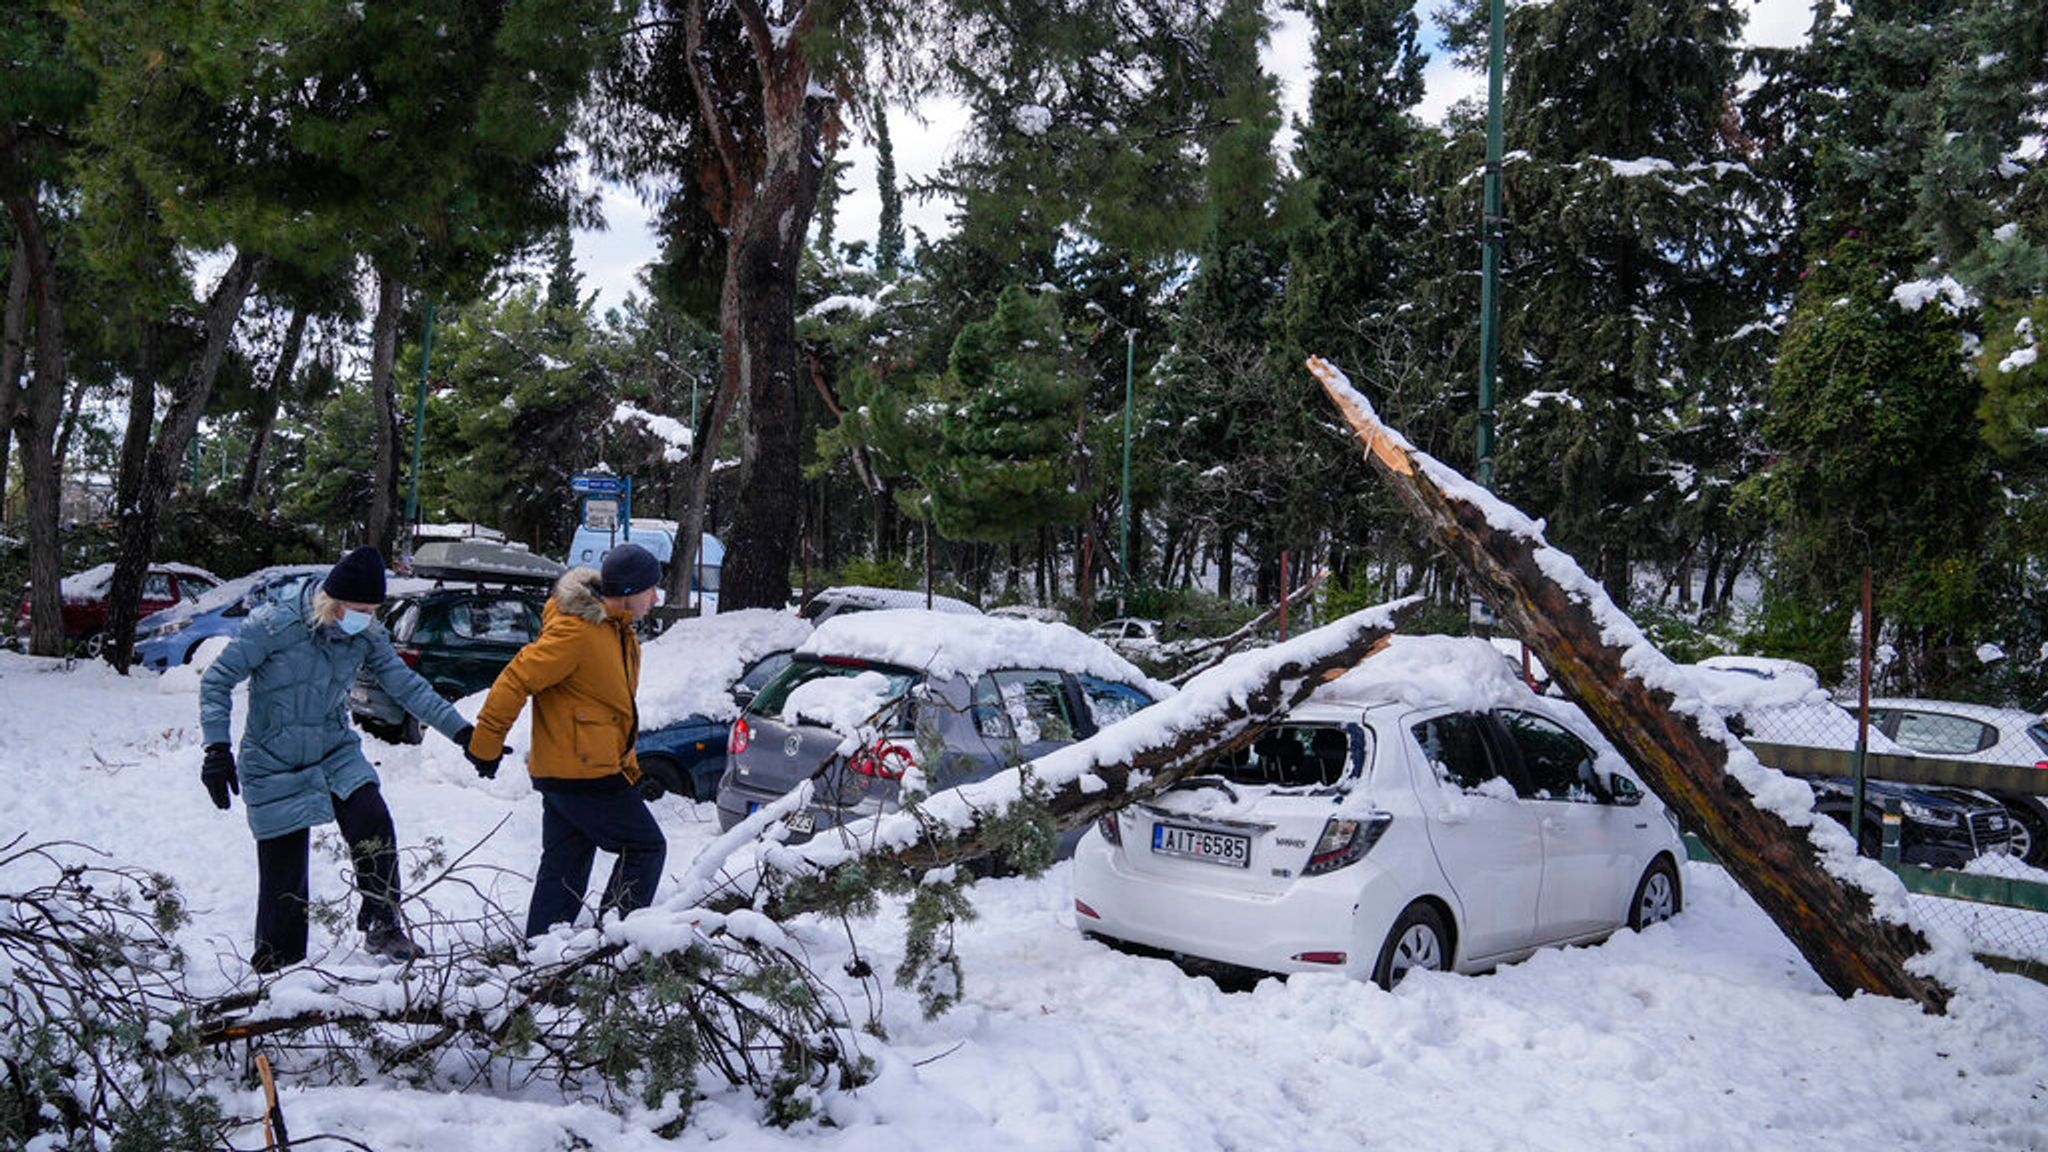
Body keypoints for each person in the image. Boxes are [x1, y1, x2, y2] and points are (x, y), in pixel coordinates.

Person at [200, 546, 475, 972]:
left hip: (333, 751)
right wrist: (216, 748)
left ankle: (382, 923)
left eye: (372, 610)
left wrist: (462, 732)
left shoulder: (365, 635)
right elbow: (216, 682)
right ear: (332, 602)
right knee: (285, 880)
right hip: (274, 759)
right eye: (359, 608)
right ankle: (279, 968)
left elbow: (406, 685)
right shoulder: (273, 626)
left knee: (373, 822)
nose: (365, 617)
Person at [465, 543, 667, 939]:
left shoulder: (616, 632)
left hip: (574, 770)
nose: (655, 598)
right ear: (627, 591)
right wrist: (484, 745)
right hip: (584, 774)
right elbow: (516, 678)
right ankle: (616, 942)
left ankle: (542, 956)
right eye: (650, 589)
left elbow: (610, 712)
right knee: (645, 848)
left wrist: (631, 771)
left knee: (565, 868)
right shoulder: (577, 632)